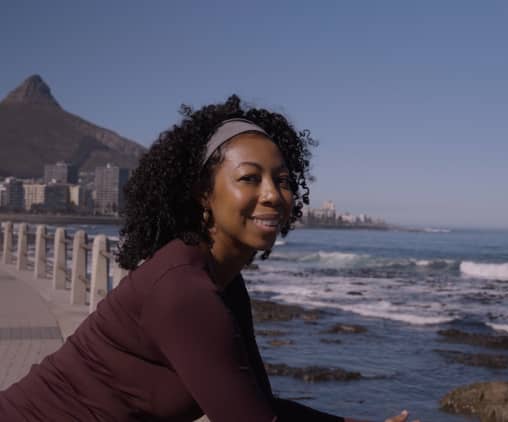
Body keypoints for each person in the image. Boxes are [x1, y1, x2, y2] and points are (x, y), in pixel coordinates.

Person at [0, 95, 418, 422]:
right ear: (203, 193)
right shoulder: (184, 290)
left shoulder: (223, 283)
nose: (273, 194)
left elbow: (257, 406)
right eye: (249, 178)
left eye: (283, 180)